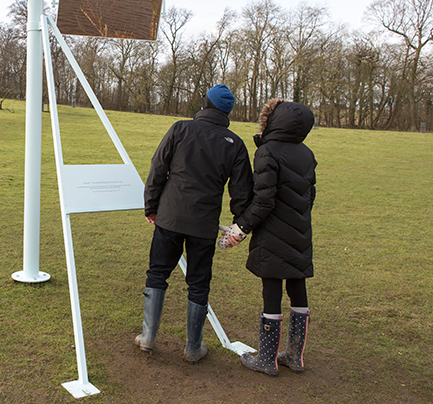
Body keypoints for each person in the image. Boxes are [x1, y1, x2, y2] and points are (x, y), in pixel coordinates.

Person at [136, 85, 253, 363]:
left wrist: (151, 206)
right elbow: (242, 191)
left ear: (205, 104)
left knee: (157, 273)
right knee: (199, 283)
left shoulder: (180, 128)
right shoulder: (235, 143)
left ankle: (148, 337)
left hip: (171, 216)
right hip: (204, 223)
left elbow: (158, 167)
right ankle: (192, 348)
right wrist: (239, 224)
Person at [219, 98, 317, 376]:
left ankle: (267, 359)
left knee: (272, 288)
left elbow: (263, 200)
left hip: (273, 232)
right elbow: (310, 195)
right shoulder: (306, 153)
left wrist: (240, 229)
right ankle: (294, 356)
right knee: (297, 285)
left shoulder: (267, 152)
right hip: (299, 230)